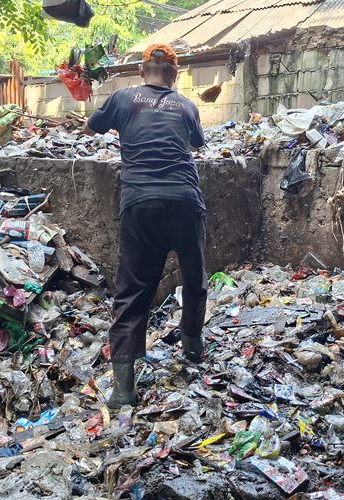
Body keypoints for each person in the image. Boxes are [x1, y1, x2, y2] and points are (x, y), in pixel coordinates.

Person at [83, 43, 208, 408]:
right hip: (185, 201)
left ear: (141, 71)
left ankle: (123, 389)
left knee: (133, 291)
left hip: (140, 205)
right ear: (175, 74)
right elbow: (196, 143)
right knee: (195, 277)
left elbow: (91, 128)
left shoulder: (123, 98)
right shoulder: (186, 106)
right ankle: (192, 347)